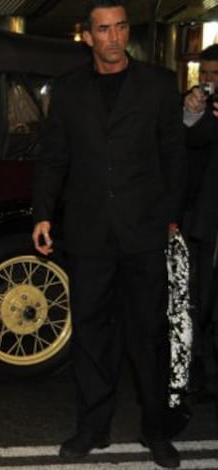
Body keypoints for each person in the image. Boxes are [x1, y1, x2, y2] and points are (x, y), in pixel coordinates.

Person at [31, 1, 186, 467]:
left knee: (148, 334)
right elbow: (54, 156)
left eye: (120, 27)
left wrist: (169, 216)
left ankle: (156, 431)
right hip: (89, 233)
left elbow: (174, 157)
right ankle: (92, 429)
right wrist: (42, 214)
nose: (114, 37)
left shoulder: (159, 84)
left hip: (143, 232)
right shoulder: (69, 89)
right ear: (88, 36)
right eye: (104, 29)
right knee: (91, 337)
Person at [181, 44, 218, 397]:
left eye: (214, 74)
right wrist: (193, 112)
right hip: (202, 219)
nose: (207, 81)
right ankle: (199, 371)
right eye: (204, 73)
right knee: (199, 298)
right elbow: (190, 141)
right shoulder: (196, 106)